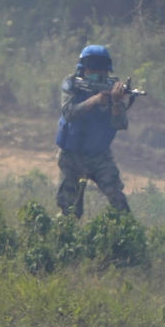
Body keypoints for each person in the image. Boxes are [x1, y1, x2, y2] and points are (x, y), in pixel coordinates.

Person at [55, 44, 131, 217]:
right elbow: (69, 112)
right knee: (70, 210)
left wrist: (116, 103)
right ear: (83, 69)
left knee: (118, 201)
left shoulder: (112, 88)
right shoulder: (72, 84)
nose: (98, 72)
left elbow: (121, 124)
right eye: (93, 68)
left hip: (99, 155)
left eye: (102, 69)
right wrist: (95, 100)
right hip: (72, 155)